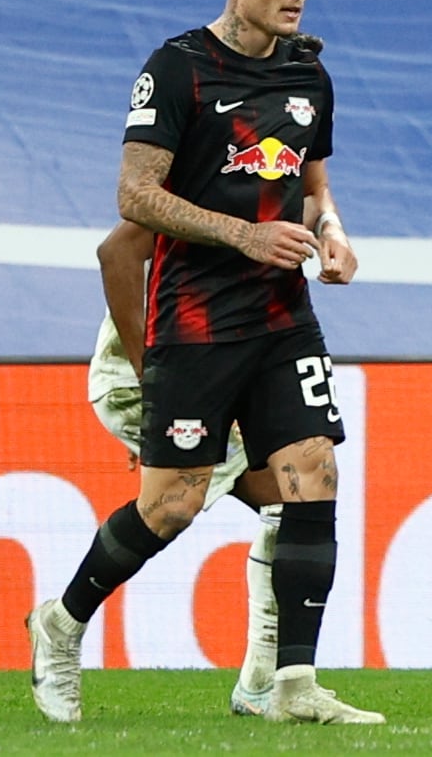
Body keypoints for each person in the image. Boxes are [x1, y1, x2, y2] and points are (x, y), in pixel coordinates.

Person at [26, 0, 383, 725]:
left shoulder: (308, 75)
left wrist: (332, 236)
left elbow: (313, 182)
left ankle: (289, 686)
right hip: (194, 321)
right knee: (173, 504)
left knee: (312, 476)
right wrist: (241, 234)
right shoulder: (179, 67)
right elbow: (133, 197)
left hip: (281, 317)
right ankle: (60, 622)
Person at [88, 219, 282, 716]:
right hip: (166, 376)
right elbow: (115, 253)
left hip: (211, 377)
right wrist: (153, 388)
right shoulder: (204, 180)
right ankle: (62, 623)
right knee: (171, 509)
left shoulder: (277, 184)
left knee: (291, 498)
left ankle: (261, 685)